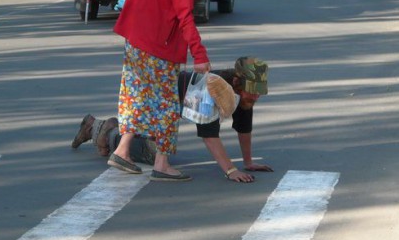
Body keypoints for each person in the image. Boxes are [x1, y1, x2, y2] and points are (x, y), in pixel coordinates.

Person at [106, 0, 213, 182]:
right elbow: (185, 17)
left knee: (136, 96)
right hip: (159, 47)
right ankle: (162, 164)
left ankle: (122, 150)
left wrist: (147, 2)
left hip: (135, 40)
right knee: (166, 104)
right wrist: (199, 55)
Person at [71, 57, 273, 183]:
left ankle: (113, 130)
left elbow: (244, 127)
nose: (255, 98)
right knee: (148, 153)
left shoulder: (242, 95)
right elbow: (209, 136)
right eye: (252, 93)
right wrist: (231, 170)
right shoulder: (213, 90)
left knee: (153, 147)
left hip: (167, 108)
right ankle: (103, 130)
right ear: (237, 82)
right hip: (158, 101)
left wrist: (248, 162)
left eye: (258, 94)